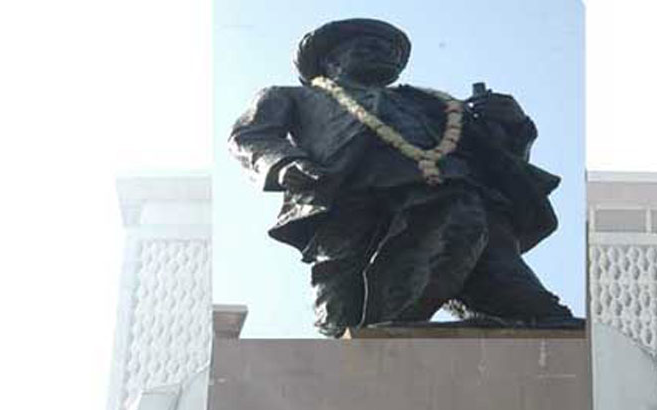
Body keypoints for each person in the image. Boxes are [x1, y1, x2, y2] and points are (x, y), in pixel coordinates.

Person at [229, 18, 575, 336]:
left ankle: (533, 316)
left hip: (453, 186)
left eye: (391, 52)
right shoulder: (294, 96)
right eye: (367, 47)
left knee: (494, 259)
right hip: (353, 197)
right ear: (331, 62)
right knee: (344, 310)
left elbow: (497, 158)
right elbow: (250, 136)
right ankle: (378, 331)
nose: (383, 53)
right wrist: (285, 164)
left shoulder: (435, 104)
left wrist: (511, 125)